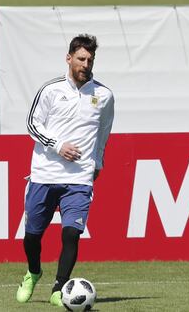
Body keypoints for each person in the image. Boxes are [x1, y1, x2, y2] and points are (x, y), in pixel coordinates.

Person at [16, 34, 114, 307]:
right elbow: (32, 125)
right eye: (81, 59)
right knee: (32, 236)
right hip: (44, 174)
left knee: (71, 233)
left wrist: (98, 162)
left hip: (79, 178)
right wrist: (57, 145)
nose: (86, 64)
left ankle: (59, 288)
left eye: (90, 60)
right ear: (69, 58)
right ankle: (33, 272)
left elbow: (104, 132)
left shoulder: (104, 95)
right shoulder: (50, 90)